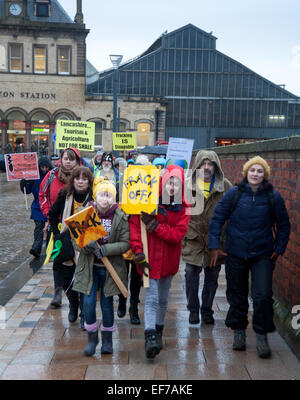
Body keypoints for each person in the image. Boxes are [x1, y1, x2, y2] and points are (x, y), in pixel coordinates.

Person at [208, 156, 290, 358]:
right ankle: (239, 332)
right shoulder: (234, 194)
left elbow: (284, 226)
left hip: (262, 254)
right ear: (246, 172)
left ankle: (261, 334)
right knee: (237, 294)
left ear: (265, 175)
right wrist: (214, 246)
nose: (255, 174)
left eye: (259, 171)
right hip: (235, 253)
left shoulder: (274, 197)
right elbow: (217, 218)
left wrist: (278, 249)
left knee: (262, 296)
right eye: (252, 170)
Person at [129, 165, 190, 359]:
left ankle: (159, 330)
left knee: (163, 299)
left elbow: (177, 235)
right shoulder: (147, 200)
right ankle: (150, 337)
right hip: (148, 258)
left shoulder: (184, 208)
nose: (172, 186)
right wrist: (138, 250)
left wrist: (155, 226)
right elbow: (135, 227)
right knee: (152, 298)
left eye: (177, 183)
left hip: (169, 261)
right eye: (170, 181)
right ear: (163, 181)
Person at [72, 178, 130, 356]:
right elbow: (75, 241)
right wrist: (84, 246)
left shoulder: (120, 216)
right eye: (101, 195)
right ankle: (92, 337)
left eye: (108, 195)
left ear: (113, 198)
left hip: (110, 268)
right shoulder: (85, 213)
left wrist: (106, 249)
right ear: (95, 196)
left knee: (106, 305)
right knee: (88, 304)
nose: (104, 199)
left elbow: (125, 243)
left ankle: (107, 339)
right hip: (89, 267)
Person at [182, 150, 232, 325]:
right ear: (197, 166)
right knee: (190, 274)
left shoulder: (225, 186)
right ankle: (193, 309)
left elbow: (234, 211)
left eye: (210, 164)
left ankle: (207, 310)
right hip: (193, 239)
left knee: (212, 277)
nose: (206, 167)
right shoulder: (187, 185)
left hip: (215, 241)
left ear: (215, 166)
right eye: (203, 164)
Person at [48, 166, 94, 326]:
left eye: (84, 179)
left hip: (85, 245)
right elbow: (52, 214)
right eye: (78, 179)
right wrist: (56, 235)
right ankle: (73, 304)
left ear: (89, 182)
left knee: (83, 280)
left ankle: (83, 313)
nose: (80, 182)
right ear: (73, 180)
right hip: (66, 243)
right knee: (66, 279)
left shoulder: (93, 198)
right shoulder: (64, 195)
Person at [39, 147, 81, 307]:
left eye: (72, 159)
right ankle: (58, 292)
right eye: (65, 158)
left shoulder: (82, 177)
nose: (68, 162)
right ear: (61, 160)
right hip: (57, 224)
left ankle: (77, 293)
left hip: (77, 225)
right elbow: (42, 195)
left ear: (77, 161)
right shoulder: (51, 176)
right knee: (58, 258)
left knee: (75, 259)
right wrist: (47, 213)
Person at [20, 156, 53, 258]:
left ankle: (49, 249)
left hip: (49, 206)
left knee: (49, 228)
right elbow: (28, 190)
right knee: (39, 228)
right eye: (42, 167)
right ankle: (36, 248)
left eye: (46, 167)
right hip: (37, 207)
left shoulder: (52, 175)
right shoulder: (33, 175)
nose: (44, 169)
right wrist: (23, 184)